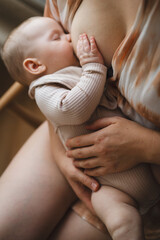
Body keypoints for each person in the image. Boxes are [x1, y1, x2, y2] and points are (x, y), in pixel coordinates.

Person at [0, 0, 159, 239]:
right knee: (6, 230)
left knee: (124, 224)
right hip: (77, 152)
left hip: (147, 159)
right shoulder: (46, 86)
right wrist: (66, 160)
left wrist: (146, 145)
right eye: (58, 37)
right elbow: (66, 110)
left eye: (65, 34)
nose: (69, 38)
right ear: (35, 66)